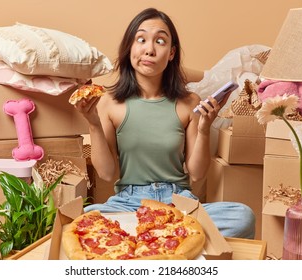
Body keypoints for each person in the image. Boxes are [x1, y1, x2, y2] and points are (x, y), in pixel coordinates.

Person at [74, 7, 255, 239]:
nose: (149, 49)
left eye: (160, 41)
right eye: (141, 39)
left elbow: (197, 173)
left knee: (242, 216)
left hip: (179, 202)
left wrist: (204, 128)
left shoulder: (189, 102)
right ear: (130, 47)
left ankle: (152, 237)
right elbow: (108, 174)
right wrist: (94, 124)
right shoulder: (110, 102)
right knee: (84, 219)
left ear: (171, 53)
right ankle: (169, 237)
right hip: (129, 204)